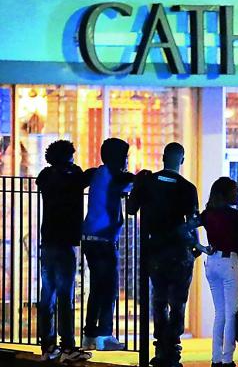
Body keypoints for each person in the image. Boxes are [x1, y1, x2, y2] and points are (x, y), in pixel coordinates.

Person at [127, 142, 204, 367]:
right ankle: (173, 349)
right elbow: (191, 222)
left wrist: (137, 185)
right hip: (179, 252)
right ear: (182, 160)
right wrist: (196, 247)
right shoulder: (187, 187)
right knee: (178, 302)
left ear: (162, 157)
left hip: (155, 250)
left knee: (159, 299)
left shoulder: (149, 182)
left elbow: (131, 209)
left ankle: (160, 347)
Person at [36, 140, 92, 362]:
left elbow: (45, 180)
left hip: (48, 240)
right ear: (68, 156)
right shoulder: (73, 175)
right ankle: (67, 345)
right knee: (65, 296)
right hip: (67, 241)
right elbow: (83, 178)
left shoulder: (46, 176)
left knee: (47, 294)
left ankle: (47, 345)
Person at [81, 138, 136, 351]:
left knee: (96, 288)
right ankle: (104, 335)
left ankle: (89, 336)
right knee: (110, 289)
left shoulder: (97, 173)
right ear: (118, 158)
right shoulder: (116, 176)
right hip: (104, 240)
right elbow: (133, 183)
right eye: (125, 157)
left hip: (89, 238)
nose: (127, 161)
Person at [201, 177, 238, 367]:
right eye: (236, 190)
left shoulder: (207, 214)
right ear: (226, 193)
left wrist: (200, 247)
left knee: (220, 313)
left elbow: (188, 227)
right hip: (229, 263)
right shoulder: (235, 216)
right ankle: (228, 359)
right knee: (230, 314)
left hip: (211, 263)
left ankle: (216, 358)